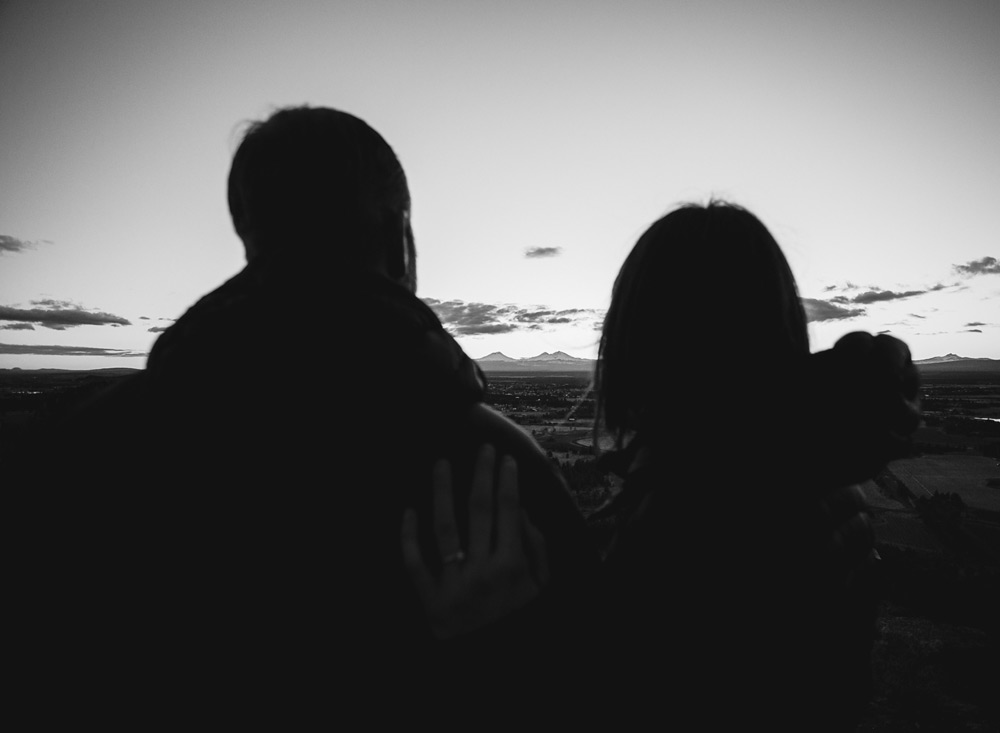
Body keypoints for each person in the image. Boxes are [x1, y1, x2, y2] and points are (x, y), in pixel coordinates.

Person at [12, 105, 598, 717]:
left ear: (249, 231)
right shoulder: (493, 479)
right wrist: (496, 658)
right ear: (401, 237)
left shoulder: (84, 449)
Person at [408, 201, 920, 727]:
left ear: (637, 342)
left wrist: (494, 640)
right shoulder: (818, 480)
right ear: (783, 332)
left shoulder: (690, 524)